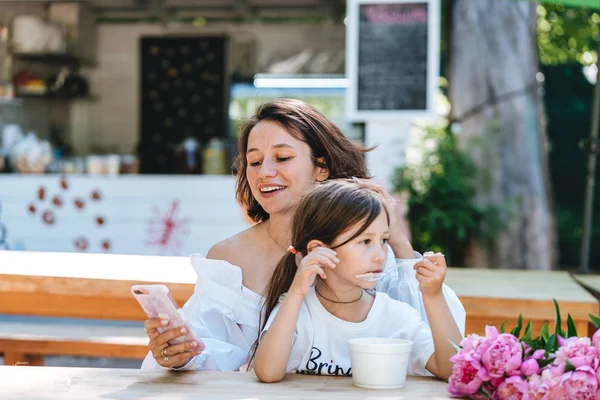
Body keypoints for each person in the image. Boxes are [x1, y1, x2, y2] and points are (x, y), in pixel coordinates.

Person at [141, 98, 465, 371]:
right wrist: (176, 352)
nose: (264, 172)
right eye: (254, 161)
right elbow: (209, 353)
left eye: (282, 158)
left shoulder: (367, 252)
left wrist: (398, 240)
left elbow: (436, 346)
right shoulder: (228, 259)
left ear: (321, 167)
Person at [252, 180, 461, 382]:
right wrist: (296, 293)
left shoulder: (396, 318)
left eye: (384, 240)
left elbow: (453, 369)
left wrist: (433, 295)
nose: (380, 254)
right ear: (318, 250)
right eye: (365, 241)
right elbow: (268, 373)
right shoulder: (296, 313)